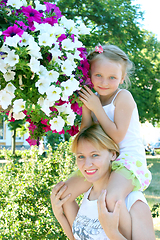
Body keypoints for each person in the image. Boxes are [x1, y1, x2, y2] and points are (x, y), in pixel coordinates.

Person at [59, 44, 152, 235]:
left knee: (111, 199)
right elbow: (86, 135)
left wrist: (97, 109)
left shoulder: (122, 97)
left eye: (112, 77)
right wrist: (87, 108)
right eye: (98, 75)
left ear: (122, 78)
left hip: (127, 162)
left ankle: (125, 236)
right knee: (63, 193)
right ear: (90, 74)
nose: (104, 82)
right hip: (102, 158)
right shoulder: (93, 98)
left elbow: (117, 136)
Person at [51, 124, 155, 240]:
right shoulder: (89, 195)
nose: (87, 164)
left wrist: (113, 233)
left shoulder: (133, 202)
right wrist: (59, 215)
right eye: (81, 156)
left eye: (95, 155)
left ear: (113, 154)